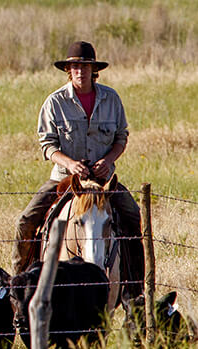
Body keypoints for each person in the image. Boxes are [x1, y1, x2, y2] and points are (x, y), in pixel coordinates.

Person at [12, 40, 142, 288]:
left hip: (103, 181)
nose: (80, 71)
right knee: (26, 221)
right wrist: (70, 164)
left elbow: (121, 137)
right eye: (75, 67)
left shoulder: (111, 99)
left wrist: (108, 160)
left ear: (94, 70)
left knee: (133, 217)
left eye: (85, 66)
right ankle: (19, 285)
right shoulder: (55, 102)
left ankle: (136, 292)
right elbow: (48, 145)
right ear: (68, 70)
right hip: (64, 179)